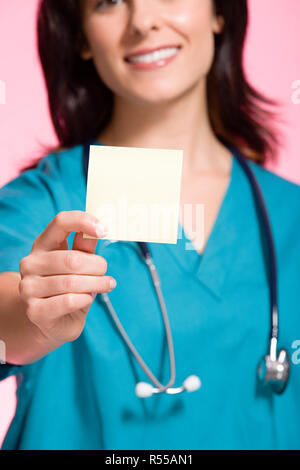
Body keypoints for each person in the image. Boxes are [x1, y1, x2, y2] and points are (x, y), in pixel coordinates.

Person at [0, 0, 299, 450]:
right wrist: (35, 312)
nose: (143, 21)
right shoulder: (43, 201)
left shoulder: (288, 212)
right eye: (109, 2)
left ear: (219, 12)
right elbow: (7, 314)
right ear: (80, 37)